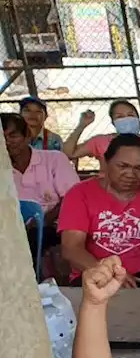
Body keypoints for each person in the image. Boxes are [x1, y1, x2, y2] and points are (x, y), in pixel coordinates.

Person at [59, 134, 140, 286]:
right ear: (106, 162)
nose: (130, 174)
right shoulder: (80, 194)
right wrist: (108, 273)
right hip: (93, 271)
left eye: (139, 168)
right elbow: (71, 248)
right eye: (122, 166)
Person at [7, 111, 79, 265]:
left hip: (53, 224)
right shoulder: (3, 168)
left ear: (27, 137)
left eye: (13, 136)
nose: (7, 142)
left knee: (30, 239)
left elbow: (73, 197)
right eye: (2, 137)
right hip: (14, 227)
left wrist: (44, 220)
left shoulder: (54, 159)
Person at [64, 100, 140, 165]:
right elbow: (68, 154)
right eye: (120, 117)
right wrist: (81, 125)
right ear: (113, 122)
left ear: (138, 118)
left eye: (130, 115)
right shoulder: (100, 142)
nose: (126, 119)